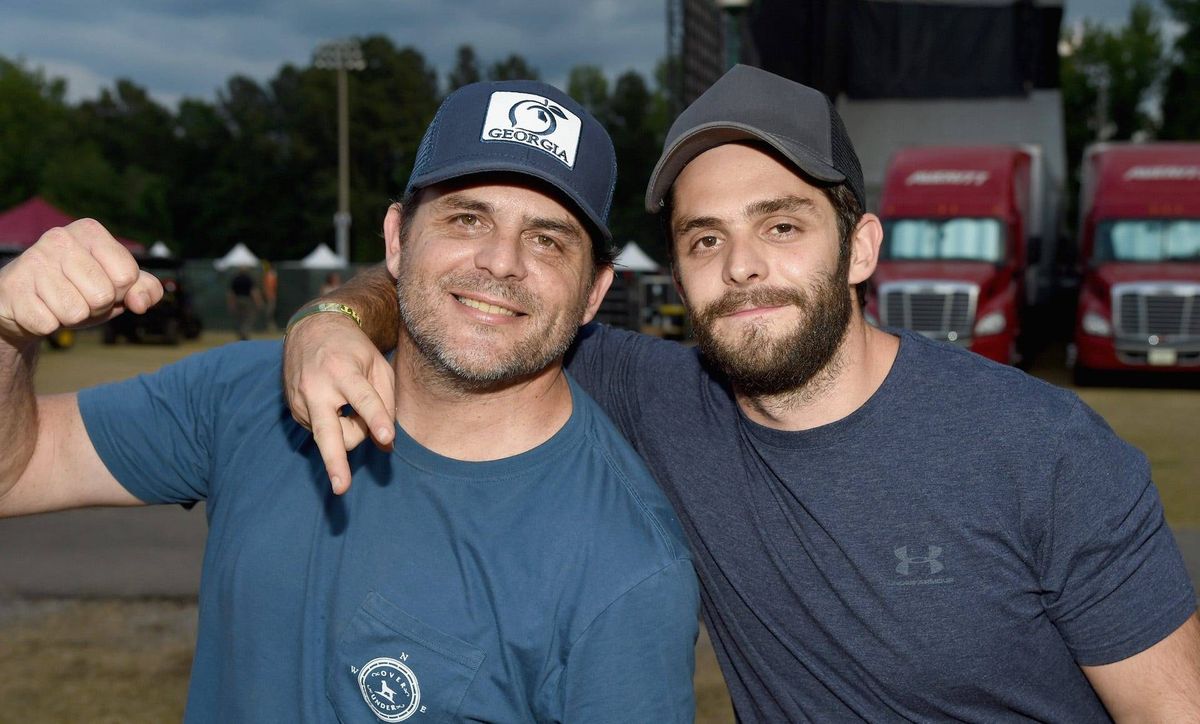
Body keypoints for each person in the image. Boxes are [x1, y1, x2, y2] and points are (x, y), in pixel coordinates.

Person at [284, 65, 1200, 721]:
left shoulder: (1041, 449)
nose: (744, 266)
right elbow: (479, 299)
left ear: (863, 249)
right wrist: (330, 319)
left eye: (783, 224)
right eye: (706, 239)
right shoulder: (653, 393)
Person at [0, 79, 699, 722]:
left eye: (548, 240)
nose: (501, 261)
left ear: (595, 293)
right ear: (397, 239)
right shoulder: (250, 396)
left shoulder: (625, 568)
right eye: (465, 219)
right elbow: (16, 468)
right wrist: (8, 330)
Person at [226, 266, 262, 340]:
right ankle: (245, 331)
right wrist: (258, 302)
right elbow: (254, 292)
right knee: (248, 317)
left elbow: (231, 293)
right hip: (247, 300)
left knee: (239, 318)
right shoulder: (249, 279)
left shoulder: (235, 279)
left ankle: (241, 333)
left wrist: (231, 303)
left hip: (237, 300)